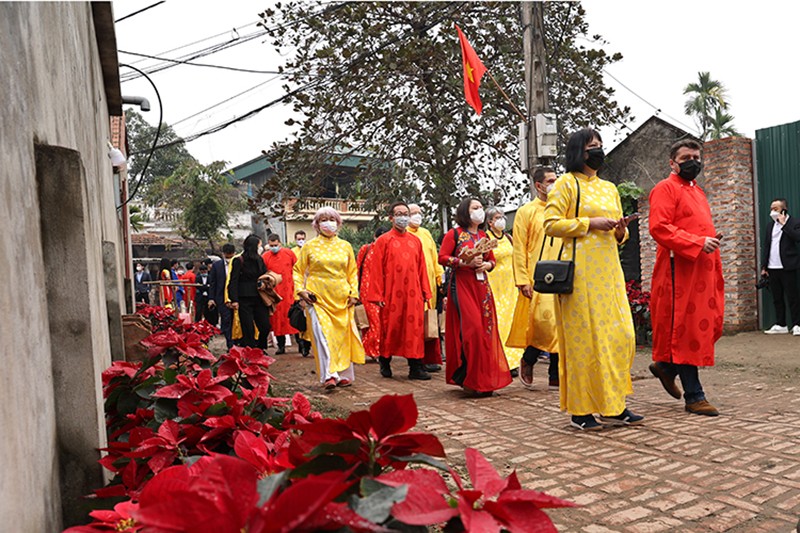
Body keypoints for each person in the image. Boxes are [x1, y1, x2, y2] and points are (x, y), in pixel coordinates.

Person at [543, 128, 642, 430]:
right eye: (591, 147)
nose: (598, 151)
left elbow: (617, 236)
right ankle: (581, 410)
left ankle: (614, 405)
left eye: (600, 145)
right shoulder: (566, 183)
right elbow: (550, 224)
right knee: (585, 343)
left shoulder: (610, 188)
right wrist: (589, 223)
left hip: (609, 274)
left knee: (619, 337)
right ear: (578, 152)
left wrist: (620, 230)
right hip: (580, 276)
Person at [648, 138, 724, 417]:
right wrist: (695, 243)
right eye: (686, 157)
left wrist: (707, 243)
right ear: (672, 162)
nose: (693, 161)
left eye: (696, 156)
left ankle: (666, 367)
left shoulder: (698, 191)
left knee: (705, 325)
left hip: (702, 269)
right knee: (686, 329)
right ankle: (694, 396)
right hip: (678, 269)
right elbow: (659, 227)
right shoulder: (664, 189)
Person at [439, 198, 511, 395]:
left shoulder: (483, 235)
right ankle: (469, 378)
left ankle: (484, 381)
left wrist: (486, 265)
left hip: (482, 287)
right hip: (461, 285)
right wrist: (462, 263)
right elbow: (442, 257)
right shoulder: (454, 234)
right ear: (465, 211)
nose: (479, 211)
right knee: (472, 331)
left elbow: (492, 261)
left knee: (486, 331)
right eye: (475, 208)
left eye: (481, 208)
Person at [293, 207, 365, 388]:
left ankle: (344, 374)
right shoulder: (309, 246)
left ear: (338, 222)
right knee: (323, 335)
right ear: (316, 225)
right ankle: (329, 375)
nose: (328, 222)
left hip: (341, 299)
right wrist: (300, 291)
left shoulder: (345, 246)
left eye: (332, 218)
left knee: (341, 336)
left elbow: (352, 272)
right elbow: (298, 271)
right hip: (318, 298)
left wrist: (354, 294)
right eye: (323, 219)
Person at [365, 202, 433, 380]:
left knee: (414, 330)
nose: (403, 217)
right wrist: (377, 295)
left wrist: (426, 292)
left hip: (413, 293)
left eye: (405, 213)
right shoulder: (383, 241)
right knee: (390, 328)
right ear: (391, 217)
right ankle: (385, 362)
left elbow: (421, 269)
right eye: (399, 213)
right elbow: (376, 270)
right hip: (391, 293)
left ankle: (415, 367)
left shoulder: (416, 241)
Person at [507, 167, 561, 390]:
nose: (554, 184)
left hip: (562, 272)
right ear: (538, 185)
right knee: (543, 323)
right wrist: (523, 279)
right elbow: (519, 247)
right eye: (550, 181)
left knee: (561, 323)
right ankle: (529, 358)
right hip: (537, 275)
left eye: (556, 180)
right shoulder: (526, 212)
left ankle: (555, 373)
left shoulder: (563, 209)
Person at [485, 206, 524, 376]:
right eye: (497, 217)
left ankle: (512, 361)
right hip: (493, 285)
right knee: (497, 323)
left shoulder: (509, 238)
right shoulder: (485, 238)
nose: (501, 220)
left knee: (510, 323)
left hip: (510, 287)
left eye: (502, 216)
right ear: (489, 222)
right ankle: (497, 360)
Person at [408, 203, 445, 372]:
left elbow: (434, 257)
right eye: (413, 213)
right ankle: (418, 359)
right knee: (416, 323)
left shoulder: (426, 233)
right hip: (414, 285)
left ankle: (430, 358)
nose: (417, 216)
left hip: (431, 286)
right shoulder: (406, 235)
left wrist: (440, 277)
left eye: (419, 212)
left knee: (430, 322)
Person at [761, 198, 800, 335]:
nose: (772, 211)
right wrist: (764, 266)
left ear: (784, 209)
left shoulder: (794, 223)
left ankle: (797, 324)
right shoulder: (769, 226)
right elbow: (767, 245)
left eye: (776, 209)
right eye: (771, 208)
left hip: (788, 266)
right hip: (772, 267)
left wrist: (784, 224)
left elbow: (797, 237)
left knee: (792, 296)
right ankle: (781, 324)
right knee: (777, 297)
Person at [229, 234, 271, 350]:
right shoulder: (239, 260)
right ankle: (251, 352)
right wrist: (234, 299)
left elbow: (265, 274)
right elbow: (233, 281)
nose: (261, 248)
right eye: (259, 245)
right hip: (244, 298)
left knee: (265, 326)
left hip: (259, 297)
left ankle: (261, 348)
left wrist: (265, 283)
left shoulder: (260, 259)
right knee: (248, 328)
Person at [261, 233, 299, 354]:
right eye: (271, 245)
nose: (274, 247)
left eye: (275, 245)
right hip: (275, 294)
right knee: (276, 322)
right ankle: (281, 346)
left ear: (280, 243)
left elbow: (298, 269)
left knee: (294, 317)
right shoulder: (265, 257)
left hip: (290, 292)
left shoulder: (289, 253)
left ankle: (301, 345)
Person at [356, 226, 389, 359]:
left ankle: (380, 350)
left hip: (385, 291)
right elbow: (357, 269)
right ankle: (373, 350)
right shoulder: (366, 249)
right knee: (372, 321)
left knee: (383, 321)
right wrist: (354, 290)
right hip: (367, 291)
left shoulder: (389, 250)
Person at [209, 243, 237, 349]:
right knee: (226, 320)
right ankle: (230, 344)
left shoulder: (238, 263)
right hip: (221, 298)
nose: (229, 258)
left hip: (235, 298)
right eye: (227, 256)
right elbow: (213, 283)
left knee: (236, 321)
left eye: (231, 256)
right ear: (223, 254)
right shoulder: (217, 266)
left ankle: (237, 343)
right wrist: (211, 298)